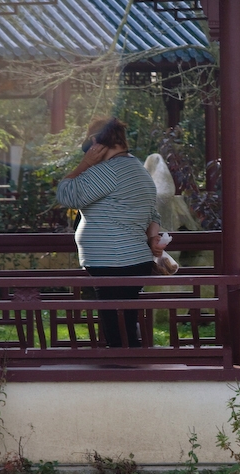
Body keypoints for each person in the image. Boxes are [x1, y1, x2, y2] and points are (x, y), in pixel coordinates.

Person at [56, 117, 166, 348]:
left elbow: (66, 194)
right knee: (125, 319)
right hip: (133, 258)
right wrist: (152, 236)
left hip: (113, 260)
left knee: (115, 324)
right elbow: (153, 213)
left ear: (96, 142)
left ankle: (122, 370)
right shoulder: (138, 169)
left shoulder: (109, 171)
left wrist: (84, 164)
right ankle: (130, 364)